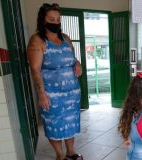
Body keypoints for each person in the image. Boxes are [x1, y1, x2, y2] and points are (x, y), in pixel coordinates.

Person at [26, 3, 83, 160]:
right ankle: (60, 155)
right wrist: (41, 94)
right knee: (54, 125)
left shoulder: (66, 38)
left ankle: (71, 152)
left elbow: (72, 59)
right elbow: (35, 71)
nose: (56, 22)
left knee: (71, 123)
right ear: (43, 20)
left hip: (72, 93)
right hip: (52, 95)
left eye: (58, 19)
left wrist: (77, 63)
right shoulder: (37, 41)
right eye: (52, 19)